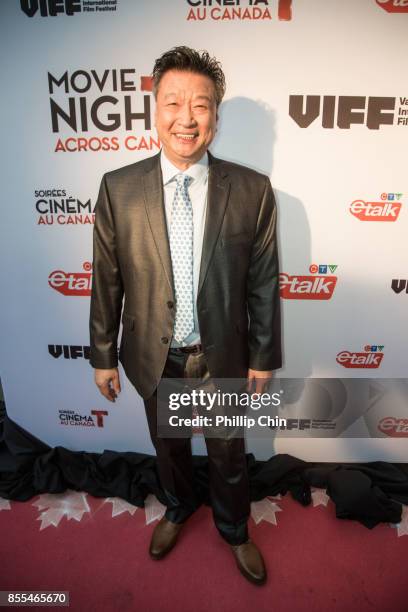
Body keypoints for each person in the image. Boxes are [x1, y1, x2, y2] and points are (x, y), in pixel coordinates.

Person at [89, 46, 281, 586]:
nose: (186, 117)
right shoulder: (118, 189)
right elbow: (106, 280)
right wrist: (102, 355)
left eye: (200, 105)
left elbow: (263, 283)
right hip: (155, 352)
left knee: (228, 452)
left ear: (215, 118)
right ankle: (176, 507)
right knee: (168, 449)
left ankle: (234, 527)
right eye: (172, 102)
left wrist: (263, 354)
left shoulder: (251, 191)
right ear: (154, 109)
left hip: (221, 354)